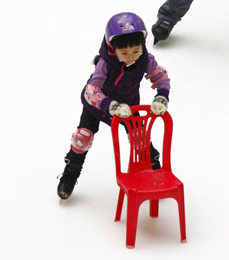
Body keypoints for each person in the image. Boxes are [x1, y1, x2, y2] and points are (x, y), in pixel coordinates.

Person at [57, 12, 170, 201]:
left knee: (139, 139)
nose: (131, 57)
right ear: (112, 47)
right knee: (82, 138)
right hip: (97, 105)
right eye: (124, 53)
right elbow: (91, 89)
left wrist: (161, 97)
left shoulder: (145, 60)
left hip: (129, 105)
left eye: (136, 50)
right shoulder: (105, 64)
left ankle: (154, 171)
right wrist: (109, 105)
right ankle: (71, 172)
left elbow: (161, 77)